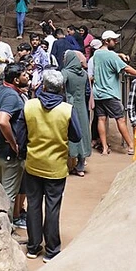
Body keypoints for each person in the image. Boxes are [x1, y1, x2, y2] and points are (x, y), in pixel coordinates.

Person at [18, 69, 82, 260]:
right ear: (61, 88)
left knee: (34, 205)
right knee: (52, 207)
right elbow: (76, 136)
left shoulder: (29, 106)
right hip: (56, 167)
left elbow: (21, 136)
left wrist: (24, 153)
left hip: (33, 164)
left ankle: (33, 246)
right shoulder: (67, 109)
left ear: (43, 86)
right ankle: (52, 250)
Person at [0, 62, 30, 230]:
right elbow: (4, 121)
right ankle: (6, 230)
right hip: (10, 150)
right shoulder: (11, 96)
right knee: (8, 194)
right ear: (16, 80)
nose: (28, 76)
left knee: (2, 188)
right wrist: (12, 141)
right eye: (25, 74)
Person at [91, 31, 136, 155]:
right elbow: (126, 68)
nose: (116, 41)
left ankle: (104, 148)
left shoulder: (97, 53)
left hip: (98, 92)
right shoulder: (111, 56)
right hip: (110, 93)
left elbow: (108, 55)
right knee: (121, 119)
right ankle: (130, 146)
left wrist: (119, 54)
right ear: (107, 41)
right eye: (114, 40)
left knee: (101, 119)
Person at [59, 49, 92, 175]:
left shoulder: (65, 72)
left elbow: (60, 86)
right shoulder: (83, 73)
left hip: (69, 105)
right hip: (82, 106)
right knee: (82, 132)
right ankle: (81, 165)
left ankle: (69, 163)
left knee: (69, 132)